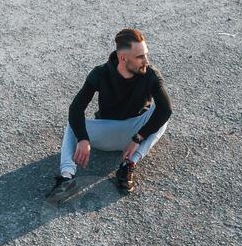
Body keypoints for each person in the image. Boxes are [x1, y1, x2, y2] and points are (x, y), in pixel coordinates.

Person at [46, 27, 172, 201]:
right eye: (140, 56)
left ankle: (128, 165)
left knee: (162, 115)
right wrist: (83, 138)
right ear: (123, 58)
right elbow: (75, 109)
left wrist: (138, 138)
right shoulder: (100, 73)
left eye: (146, 54)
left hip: (136, 131)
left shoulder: (151, 75)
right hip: (107, 131)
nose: (146, 61)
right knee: (72, 124)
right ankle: (67, 178)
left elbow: (166, 110)